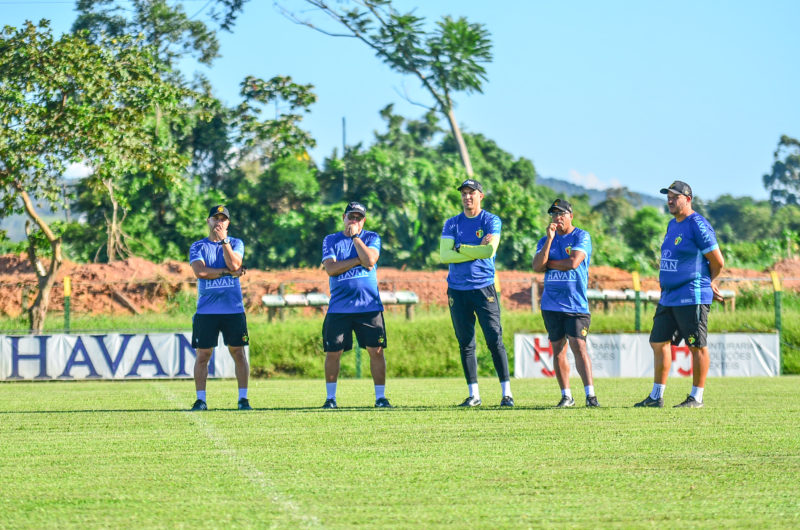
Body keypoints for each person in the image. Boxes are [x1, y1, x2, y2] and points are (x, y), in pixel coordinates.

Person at [635, 181, 725, 408]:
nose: (670, 200)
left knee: (697, 346)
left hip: (692, 295)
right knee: (658, 342)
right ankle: (656, 396)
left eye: (675, 197)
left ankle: (696, 397)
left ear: (688, 199)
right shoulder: (672, 224)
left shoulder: (698, 224)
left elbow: (717, 261)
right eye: (668, 196)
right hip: (669, 296)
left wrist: (708, 282)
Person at [440, 178, 514, 407]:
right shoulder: (452, 223)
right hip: (457, 289)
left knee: (494, 340)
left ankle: (507, 394)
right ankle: (474, 395)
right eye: (464, 193)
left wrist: (460, 248)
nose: (467, 197)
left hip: (483, 288)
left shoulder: (491, 220)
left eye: (471, 193)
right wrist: (475, 249)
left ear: (480, 196)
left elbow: (489, 251)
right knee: (466, 343)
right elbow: (444, 255)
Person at [320, 201, 391, 409]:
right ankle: (331, 399)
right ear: (344, 218)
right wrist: (356, 260)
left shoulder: (372, 237)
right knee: (333, 352)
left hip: (368, 306)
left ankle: (380, 398)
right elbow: (331, 269)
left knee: (376, 351)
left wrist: (355, 238)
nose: (354, 221)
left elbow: (369, 261)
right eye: (351, 217)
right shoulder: (331, 239)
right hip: (339, 307)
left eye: (358, 218)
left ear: (363, 221)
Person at [532, 199, 599, 408]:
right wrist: (549, 240)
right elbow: (537, 266)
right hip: (551, 304)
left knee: (579, 346)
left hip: (575, 304)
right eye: (554, 214)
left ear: (571, 215)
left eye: (561, 214)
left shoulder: (581, 236)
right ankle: (566, 396)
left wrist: (549, 264)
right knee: (558, 348)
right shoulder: (545, 240)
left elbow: (573, 262)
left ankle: (590, 395)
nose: (557, 218)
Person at [188, 205, 251, 411]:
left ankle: (243, 399)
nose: (219, 222)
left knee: (238, 353)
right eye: (215, 218)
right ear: (208, 221)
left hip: (233, 310)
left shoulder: (236, 243)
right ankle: (201, 400)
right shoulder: (198, 246)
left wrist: (224, 242)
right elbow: (201, 272)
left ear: (228, 223)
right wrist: (227, 273)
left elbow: (236, 265)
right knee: (203, 355)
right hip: (206, 311)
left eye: (223, 219)